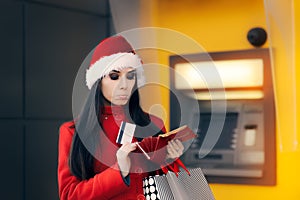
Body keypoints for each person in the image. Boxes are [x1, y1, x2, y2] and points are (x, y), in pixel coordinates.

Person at [57, 35, 185, 200]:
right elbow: (69, 195)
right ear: (98, 81)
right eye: (115, 76)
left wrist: (168, 159)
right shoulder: (72, 131)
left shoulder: (154, 123)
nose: (124, 85)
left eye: (130, 76)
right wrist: (119, 171)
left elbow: (166, 189)